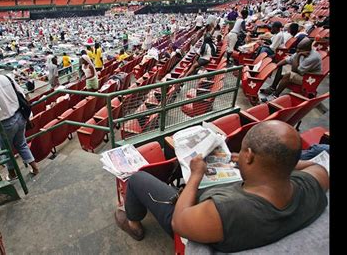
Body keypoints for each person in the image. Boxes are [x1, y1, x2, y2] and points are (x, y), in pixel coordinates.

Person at [114, 120, 328, 252]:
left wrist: (196, 175)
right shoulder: (316, 181)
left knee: (137, 180)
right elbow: (314, 166)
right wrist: (272, 162)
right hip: (265, 174)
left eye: (244, 152)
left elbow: (179, 223)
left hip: (193, 220)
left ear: (250, 156)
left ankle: (134, 225)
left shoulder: (224, 211)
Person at [261, 38, 322, 102]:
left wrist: (298, 56)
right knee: (281, 67)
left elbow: (295, 70)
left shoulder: (312, 58)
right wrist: (274, 67)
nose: (297, 50)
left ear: (307, 49)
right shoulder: (300, 51)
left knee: (289, 75)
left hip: (309, 78)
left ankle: (275, 95)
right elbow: (288, 60)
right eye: (297, 48)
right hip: (302, 73)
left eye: (299, 49)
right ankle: (272, 88)